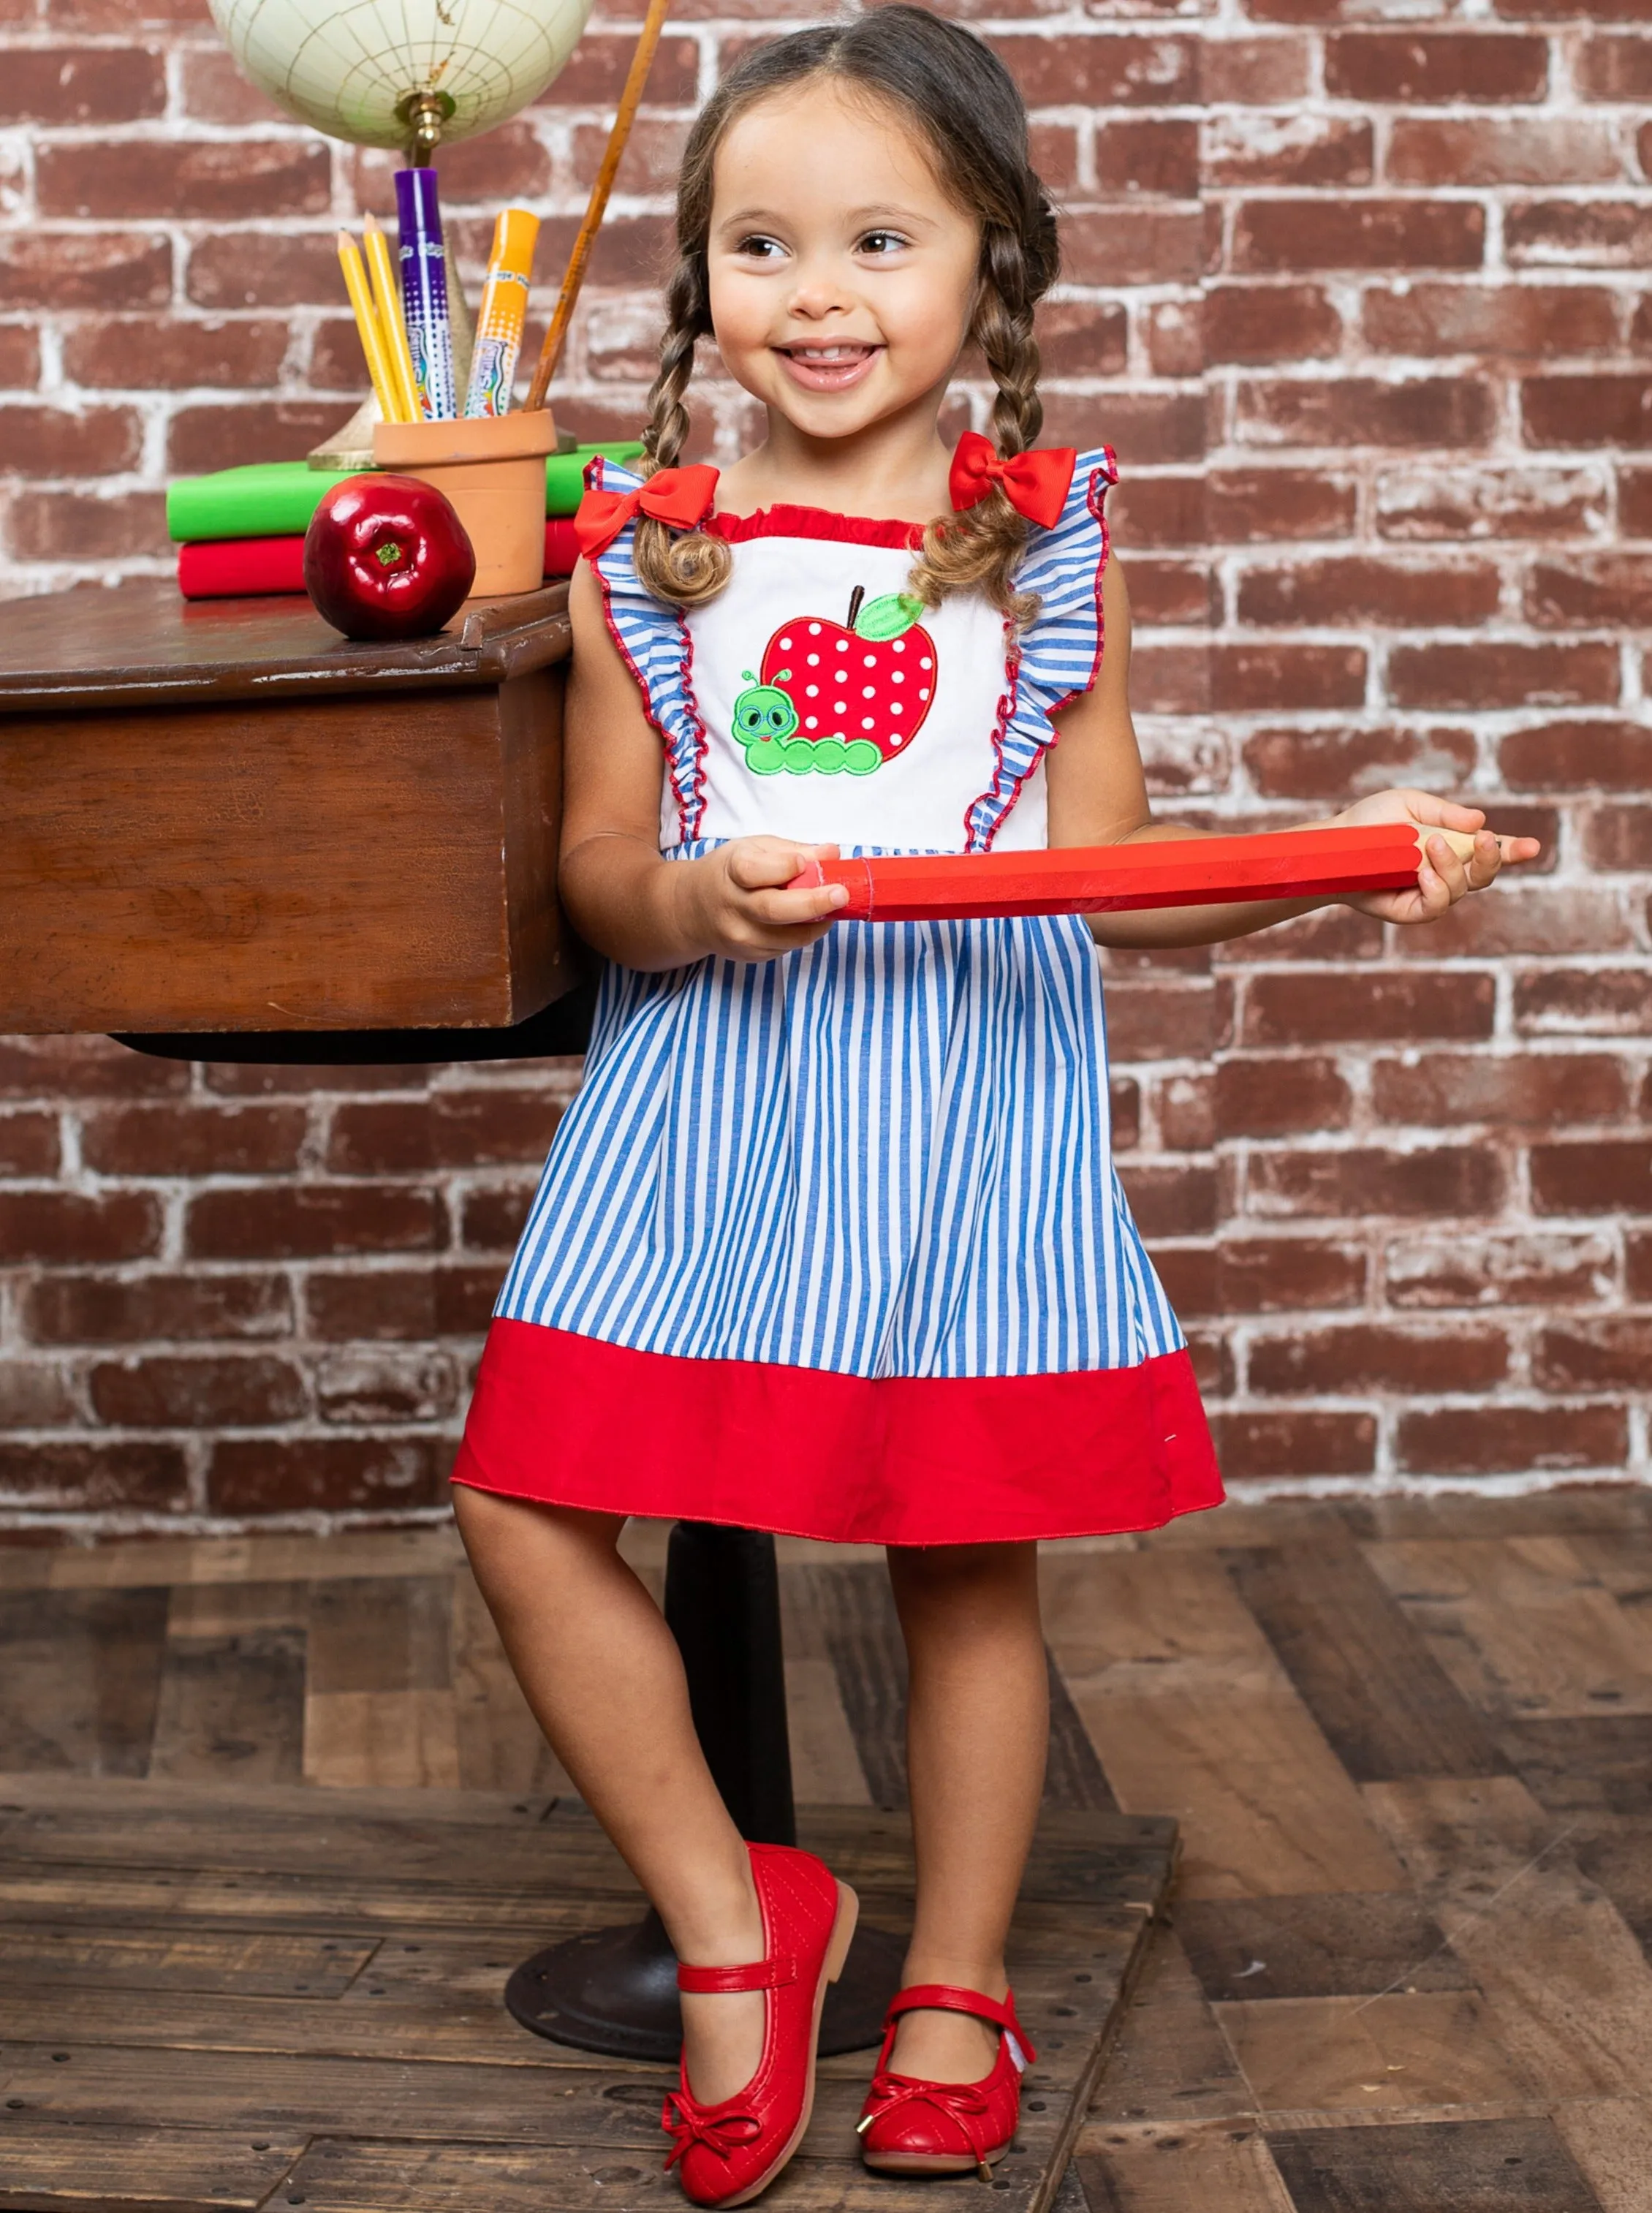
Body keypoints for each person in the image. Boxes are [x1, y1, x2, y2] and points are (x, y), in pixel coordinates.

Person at [450, 9, 1538, 2203]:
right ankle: (736, 1932)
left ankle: (955, 1977)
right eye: (761, 245)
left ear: (992, 268)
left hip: (965, 1097)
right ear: (703, 282)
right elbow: (589, 876)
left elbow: (1116, 889)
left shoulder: (1036, 539)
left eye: (878, 237)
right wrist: (684, 894)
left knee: (960, 1556)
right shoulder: (644, 550)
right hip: (711, 1094)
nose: (818, 293)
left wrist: (1328, 856)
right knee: (521, 1499)